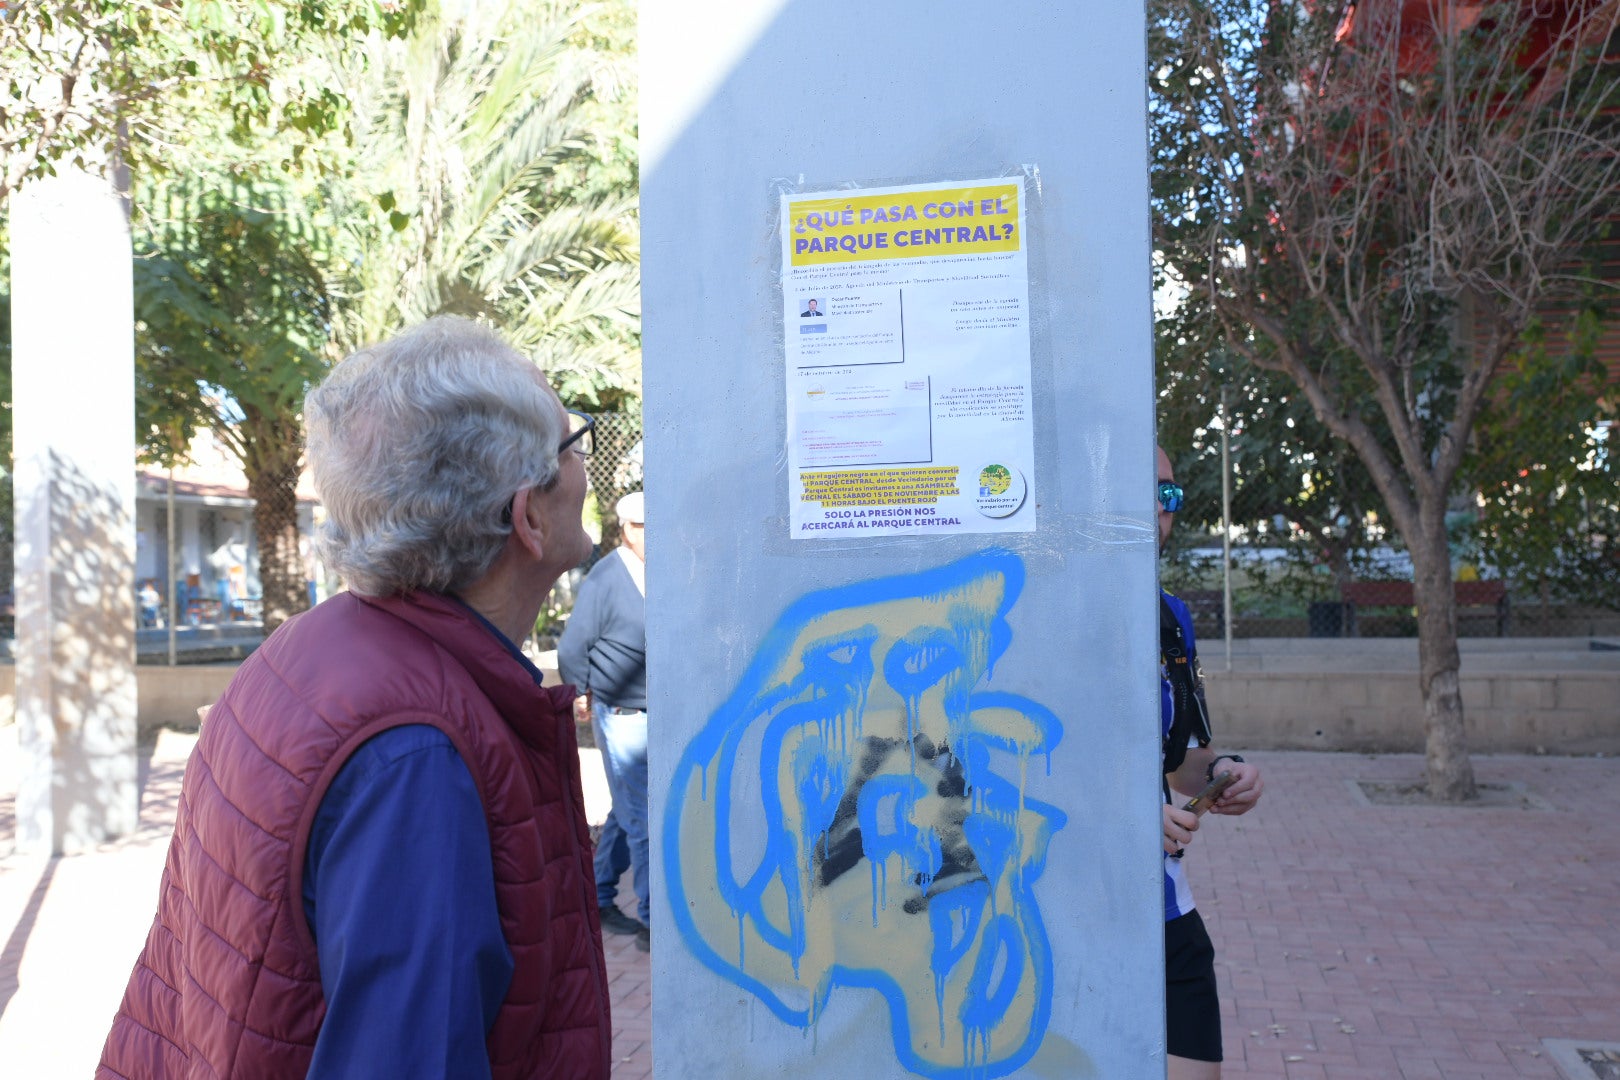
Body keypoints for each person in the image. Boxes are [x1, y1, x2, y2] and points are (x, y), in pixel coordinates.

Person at [98, 316, 612, 1080]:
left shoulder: (308, 650)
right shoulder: (416, 756)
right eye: (572, 448)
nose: (583, 468)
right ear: (526, 517)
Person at [1156, 444, 1264, 1080]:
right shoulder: (1042, 612)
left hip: (1162, 908)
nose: (1157, 509)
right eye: (1141, 491)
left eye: (1167, 495)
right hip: (1054, 904)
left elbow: (1186, 768)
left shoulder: (1170, 618)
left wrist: (1230, 775)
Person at [559, 490, 650, 951]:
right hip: (621, 712)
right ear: (622, 529)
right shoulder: (607, 577)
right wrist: (579, 693)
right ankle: (654, 924)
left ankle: (597, 894)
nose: (646, 535)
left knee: (626, 808)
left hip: (656, 709)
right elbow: (572, 647)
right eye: (637, 526)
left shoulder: (664, 569)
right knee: (645, 821)